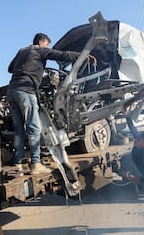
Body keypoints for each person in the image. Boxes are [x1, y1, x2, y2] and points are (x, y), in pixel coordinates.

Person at [7, 33, 96, 174]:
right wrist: (84, 55)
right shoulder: (38, 50)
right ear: (42, 42)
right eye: (47, 44)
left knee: (19, 130)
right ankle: (35, 164)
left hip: (12, 91)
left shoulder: (22, 51)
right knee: (34, 128)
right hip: (26, 91)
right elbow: (63, 55)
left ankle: (17, 163)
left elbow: (10, 68)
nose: (47, 47)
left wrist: (27, 66)